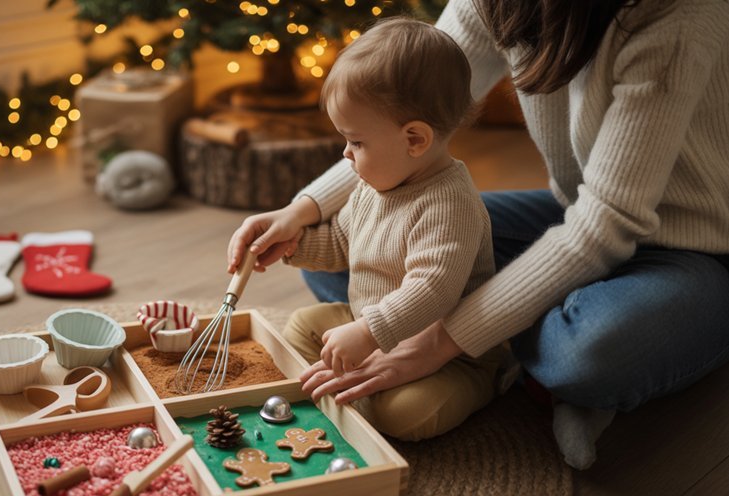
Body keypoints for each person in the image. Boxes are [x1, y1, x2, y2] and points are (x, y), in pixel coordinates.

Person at [228, 0, 729, 469]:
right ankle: (535, 329)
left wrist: (439, 341)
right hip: (575, 211)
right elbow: (397, 105)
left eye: (351, 144)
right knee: (364, 263)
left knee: (585, 356)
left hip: (695, 242)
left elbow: (607, 222)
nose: (346, 153)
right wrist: (300, 214)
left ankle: (508, 359)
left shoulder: (677, 16)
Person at [264, 17, 512, 442]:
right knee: (301, 326)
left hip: (449, 353)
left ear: (414, 139)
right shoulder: (373, 183)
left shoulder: (449, 203)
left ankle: (496, 379)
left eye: (356, 142)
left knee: (406, 417)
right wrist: (294, 245)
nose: (346, 154)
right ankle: (359, 382)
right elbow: (343, 241)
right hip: (372, 321)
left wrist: (367, 333)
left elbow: (433, 289)